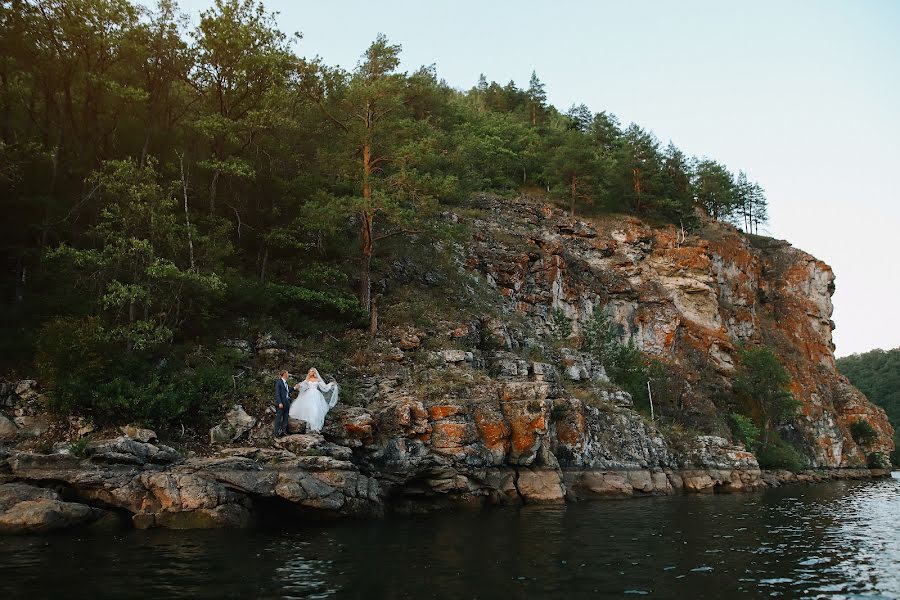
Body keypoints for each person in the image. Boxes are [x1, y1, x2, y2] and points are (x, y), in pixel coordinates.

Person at [289, 368, 339, 433]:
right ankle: (307, 424)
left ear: (314, 373)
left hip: (316, 394)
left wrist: (331, 384)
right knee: (307, 408)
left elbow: (325, 387)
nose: (310, 373)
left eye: (311, 372)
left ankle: (314, 425)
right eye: (309, 371)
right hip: (308, 393)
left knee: (315, 409)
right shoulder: (307, 379)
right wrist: (298, 386)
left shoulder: (317, 380)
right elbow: (302, 385)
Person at [273, 370, 291, 437]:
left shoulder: (286, 383)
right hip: (281, 403)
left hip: (287, 402)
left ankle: (284, 431)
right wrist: (280, 402)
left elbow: (288, 391)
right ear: (284, 374)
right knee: (279, 418)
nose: (288, 375)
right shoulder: (279, 382)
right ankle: (276, 432)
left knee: (285, 418)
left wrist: (294, 388)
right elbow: (277, 394)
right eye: (287, 373)